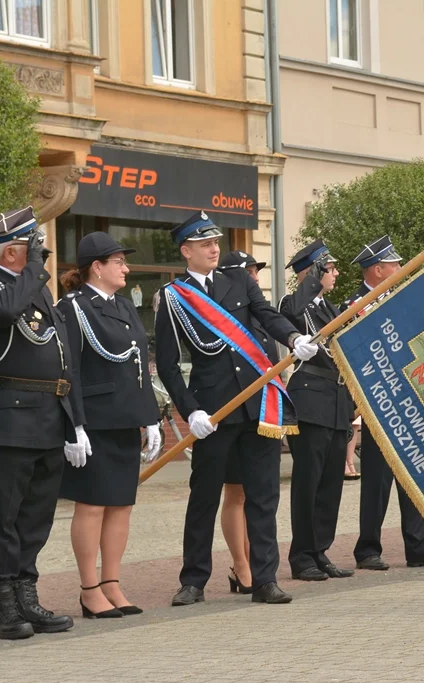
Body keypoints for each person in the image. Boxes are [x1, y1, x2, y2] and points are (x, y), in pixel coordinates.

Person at [155, 212, 314, 606]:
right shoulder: (175, 298)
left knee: (263, 496)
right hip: (213, 410)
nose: (214, 249)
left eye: (216, 242)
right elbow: (168, 364)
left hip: (256, 402)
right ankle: (193, 580)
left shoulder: (239, 280)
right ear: (186, 250)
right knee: (204, 497)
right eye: (204, 244)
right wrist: (190, 410)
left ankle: (264, 579)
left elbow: (267, 317)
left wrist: (293, 338)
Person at [0, 206, 77, 639]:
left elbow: (63, 353)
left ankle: (27, 596)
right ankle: (4, 608)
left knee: (36, 516)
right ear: (12, 251)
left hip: (49, 415)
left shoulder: (35, 288)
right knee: (3, 517)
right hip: (9, 417)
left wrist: (76, 421)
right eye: (34, 246)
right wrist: (33, 269)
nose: (42, 254)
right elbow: (8, 309)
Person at [57, 232, 163, 618]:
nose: (126, 267)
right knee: (92, 506)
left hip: (124, 420)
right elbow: (67, 369)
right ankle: (89, 589)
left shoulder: (122, 305)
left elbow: (139, 363)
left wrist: (150, 417)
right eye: (118, 261)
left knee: (121, 506)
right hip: (94, 422)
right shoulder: (71, 307)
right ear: (96, 267)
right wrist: (75, 425)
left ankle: (112, 583)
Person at [344, 236, 424, 570]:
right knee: (377, 481)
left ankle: (419, 546)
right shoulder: (354, 305)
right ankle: (368, 550)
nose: (398, 268)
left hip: (410, 397)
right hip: (378, 403)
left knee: (415, 475)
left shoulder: (400, 300)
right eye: (393, 264)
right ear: (377, 270)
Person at [280, 240, 357, 581]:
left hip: (337, 400)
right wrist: (312, 278)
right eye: (331, 268)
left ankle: (319, 550)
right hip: (311, 399)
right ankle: (301, 555)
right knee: (308, 482)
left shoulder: (328, 307)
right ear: (313, 272)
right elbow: (292, 315)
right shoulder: (295, 303)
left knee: (330, 483)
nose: (336, 273)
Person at [214, 250, 278, 593]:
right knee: (235, 494)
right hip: (233, 415)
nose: (254, 278)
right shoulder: (225, 320)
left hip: (261, 415)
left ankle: (258, 562)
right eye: (248, 271)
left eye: (254, 271)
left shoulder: (260, 318)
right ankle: (240, 565)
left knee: (260, 495)